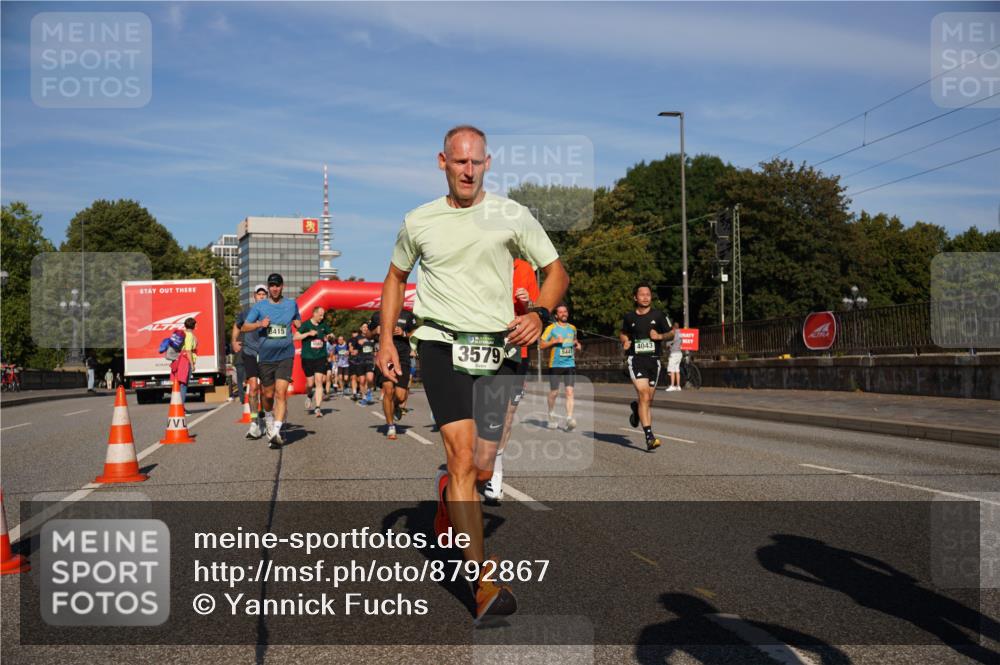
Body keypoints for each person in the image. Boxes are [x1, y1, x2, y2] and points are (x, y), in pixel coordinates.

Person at [376, 125, 568, 623]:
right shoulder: (419, 220)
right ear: (442, 162)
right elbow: (396, 278)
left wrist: (539, 315)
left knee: (483, 466)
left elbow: (556, 271)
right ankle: (481, 583)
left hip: (497, 348)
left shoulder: (513, 216)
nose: (467, 170)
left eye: (475, 162)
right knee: (461, 458)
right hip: (440, 343)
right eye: (458, 161)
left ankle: (447, 496)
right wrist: (386, 338)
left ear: (487, 163)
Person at [482, 257, 539, 503]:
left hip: (516, 349)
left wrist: (529, 303)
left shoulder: (523, 267)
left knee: (507, 413)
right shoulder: (481, 258)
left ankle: (495, 472)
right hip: (480, 345)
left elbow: (538, 310)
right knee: (480, 411)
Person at [241, 273, 301, 448]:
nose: (275, 288)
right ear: (268, 288)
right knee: (267, 395)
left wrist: (298, 323)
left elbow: (297, 318)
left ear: (283, 286)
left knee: (281, 393)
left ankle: (276, 430)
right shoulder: (260, 307)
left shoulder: (291, 304)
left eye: (278, 285)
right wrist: (260, 324)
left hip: (285, 355)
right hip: (266, 357)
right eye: (272, 286)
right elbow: (244, 326)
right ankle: (268, 418)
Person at [620, 283, 669, 451]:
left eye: (648, 294)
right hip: (636, 359)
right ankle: (649, 436)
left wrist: (660, 335)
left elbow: (672, 332)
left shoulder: (659, 315)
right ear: (635, 297)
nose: (645, 297)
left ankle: (636, 410)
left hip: (654, 360)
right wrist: (625, 341)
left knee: (647, 399)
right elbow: (623, 333)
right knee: (643, 394)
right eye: (642, 294)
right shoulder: (629, 317)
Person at [370, 307, 417, 440]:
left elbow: (414, 333)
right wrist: (374, 331)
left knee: (401, 396)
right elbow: (368, 334)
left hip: (403, 357)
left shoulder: (407, 315)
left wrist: (403, 334)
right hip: (385, 355)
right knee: (388, 390)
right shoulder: (377, 315)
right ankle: (391, 426)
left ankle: (395, 406)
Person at [539, 304, 581, 430]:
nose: (563, 314)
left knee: (569, 391)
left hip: (570, 364)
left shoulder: (572, 328)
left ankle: (569, 418)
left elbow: (574, 342)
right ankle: (551, 414)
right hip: (555, 364)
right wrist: (554, 341)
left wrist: (577, 346)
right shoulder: (551, 328)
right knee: (554, 392)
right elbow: (541, 345)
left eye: (565, 311)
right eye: (561, 312)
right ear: (556, 315)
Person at [234, 285, 268, 439]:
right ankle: (254, 422)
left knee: (267, 391)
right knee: (253, 387)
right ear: (254, 296)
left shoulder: (272, 312)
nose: (261, 296)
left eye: (264, 294)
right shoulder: (247, 313)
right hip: (250, 352)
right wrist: (234, 341)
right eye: (259, 294)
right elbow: (237, 325)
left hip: (268, 353)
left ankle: (266, 418)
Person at [296, 306, 333, 417]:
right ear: (314, 313)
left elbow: (331, 334)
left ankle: (317, 408)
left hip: (320, 357)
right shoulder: (306, 325)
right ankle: (309, 395)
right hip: (307, 357)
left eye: (323, 315)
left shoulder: (323, 325)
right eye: (320, 315)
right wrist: (308, 334)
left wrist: (330, 336)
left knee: (319, 380)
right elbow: (295, 337)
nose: (322, 317)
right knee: (310, 383)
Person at [179, 317, 198, 407]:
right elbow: (188, 351)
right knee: (184, 385)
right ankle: (181, 407)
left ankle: (180, 406)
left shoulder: (185, 334)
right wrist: (192, 364)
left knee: (181, 384)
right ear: (193, 325)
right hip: (186, 361)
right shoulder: (189, 335)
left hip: (181, 360)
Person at [665, 321, 683, 391]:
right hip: (679, 353)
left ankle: (672, 385)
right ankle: (678, 386)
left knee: (672, 370)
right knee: (677, 370)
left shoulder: (673, 333)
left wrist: (668, 344)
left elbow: (668, 344)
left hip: (674, 353)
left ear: (673, 327)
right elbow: (681, 342)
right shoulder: (680, 333)